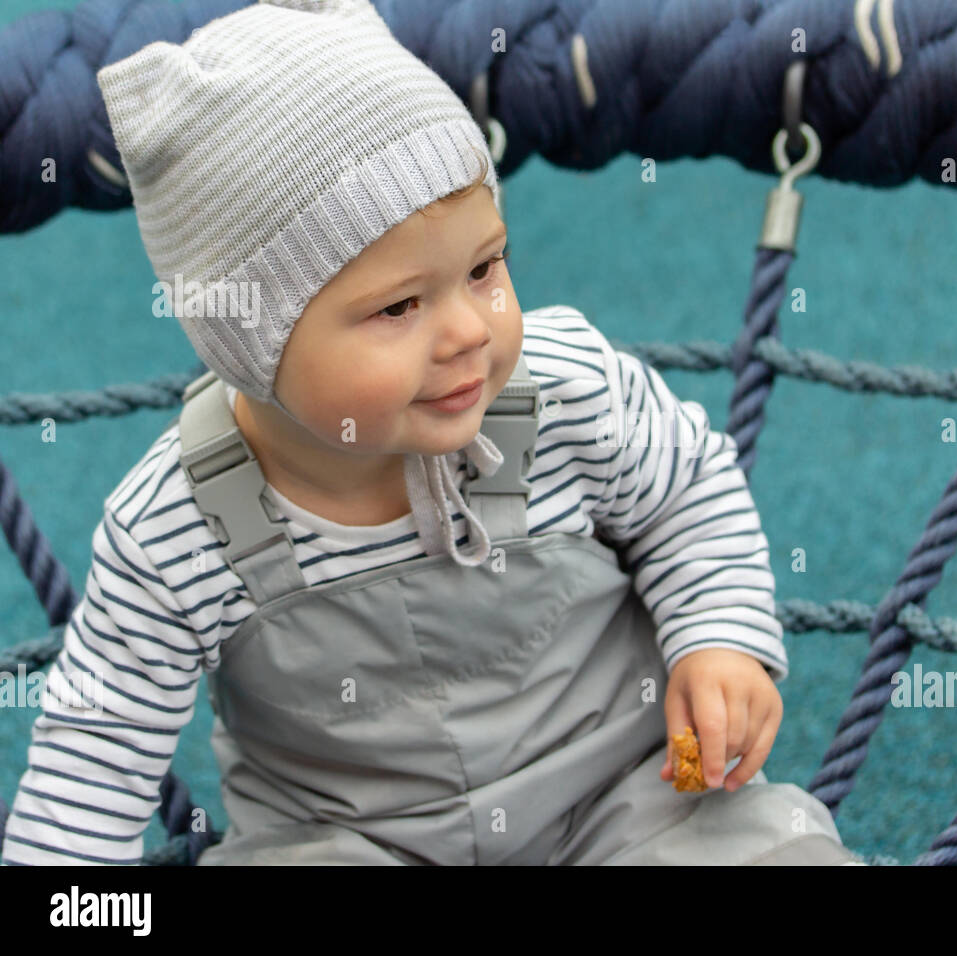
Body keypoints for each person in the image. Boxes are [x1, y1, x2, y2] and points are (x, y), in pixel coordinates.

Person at [0, 0, 863, 866]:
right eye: (399, 306)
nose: (467, 333)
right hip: (352, 841)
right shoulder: (175, 525)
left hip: (630, 797)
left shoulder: (565, 389)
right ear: (252, 343)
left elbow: (687, 493)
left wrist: (717, 638)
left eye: (485, 267)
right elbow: (94, 752)